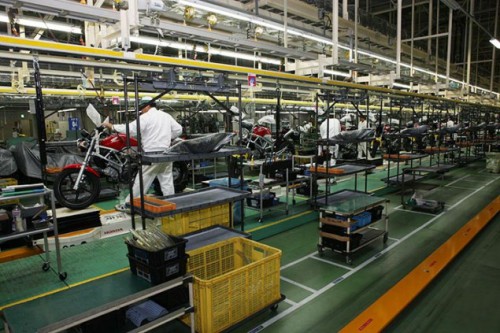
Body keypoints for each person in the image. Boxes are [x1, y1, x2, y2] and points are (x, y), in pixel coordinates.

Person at [102, 96, 182, 211]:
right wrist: (168, 137)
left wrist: (111, 126)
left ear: (147, 106)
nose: (141, 110)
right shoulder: (166, 116)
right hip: (166, 153)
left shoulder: (145, 117)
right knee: (167, 182)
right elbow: (179, 130)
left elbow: (130, 129)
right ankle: (172, 205)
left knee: (141, 181)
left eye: (142, 107)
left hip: (152, 155)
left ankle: (129, 205)